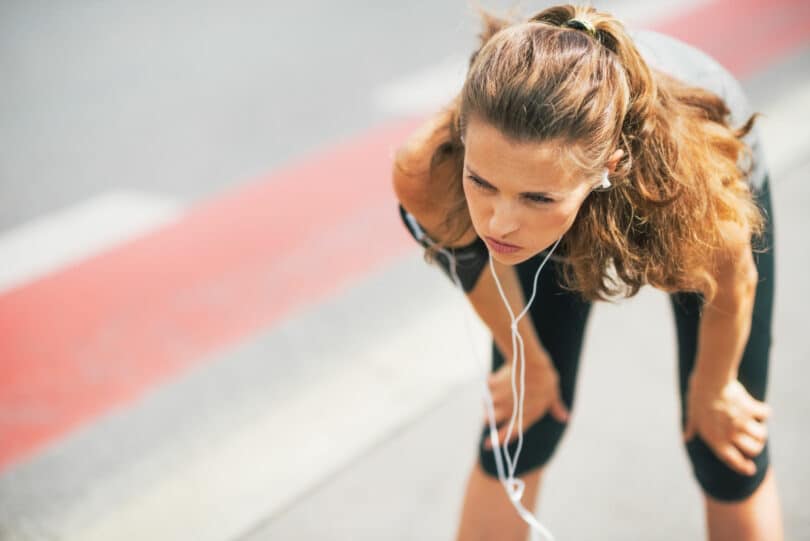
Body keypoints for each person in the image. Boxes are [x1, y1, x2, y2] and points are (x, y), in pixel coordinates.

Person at [391, 4, 784, 541]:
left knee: (724, 447)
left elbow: (733, 284)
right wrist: (524, 357)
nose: (498, 221)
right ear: (463, 136)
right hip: (566, 165)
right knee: (525, 423)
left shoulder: (697, 194)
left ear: (611, 168)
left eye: (535, 197)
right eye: (480, 183)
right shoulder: (427, 169)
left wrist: (713, 389)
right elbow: (472, 268)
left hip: (691, 157)